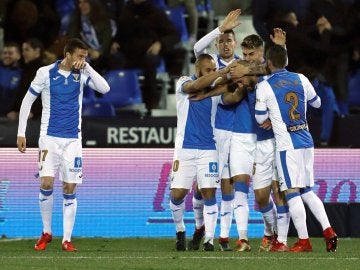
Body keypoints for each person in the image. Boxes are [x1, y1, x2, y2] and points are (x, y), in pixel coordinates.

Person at [16, 38, 110, 251]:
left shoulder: (82, 73)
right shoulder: (45, 73)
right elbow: (27, 101)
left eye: (85, 56)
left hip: (73, 140)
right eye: (80, 56)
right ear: (68, 55)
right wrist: (21, 132)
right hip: (49, 137)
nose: (82, 60)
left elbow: (105, 89)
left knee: (69, 187)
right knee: (46, 183)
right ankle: (46, 232)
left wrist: (88, 66)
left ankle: (66, 239)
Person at [170, 53, 248, 252]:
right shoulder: (184, 82)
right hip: (184, 149)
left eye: (214, 70)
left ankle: (209, 241)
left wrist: (242, 88)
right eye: (209, 70)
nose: (213, 74)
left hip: (208, 150)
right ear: (198, 71)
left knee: (209, 194)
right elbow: (195, 87)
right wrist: (222, 72)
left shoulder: (214, 92)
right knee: (178, 194)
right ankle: (180, 230)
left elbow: (231, 98)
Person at [254, 44, 319, 252]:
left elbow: (260, 118)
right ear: (286, 60)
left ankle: (302, 240)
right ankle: (326, 232)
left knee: (291, 192)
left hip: (285, 144)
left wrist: (274, 117)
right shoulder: (301, 78)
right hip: (306, 140)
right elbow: (317, 103)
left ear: (268, 62)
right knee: (306, 190)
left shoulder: (264, 85)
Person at [192, 8, 241, 252]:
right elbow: (197, 49)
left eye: (228, 40)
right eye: (221, 41)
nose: (224, 44)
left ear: (236, 43)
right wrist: (219, 29)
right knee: (203, 187)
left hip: (239, 133)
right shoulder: (211, 64)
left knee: (229, 184)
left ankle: (222, 237)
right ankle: (200, 226)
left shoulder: (244, 65)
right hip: (213, 133)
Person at [110, 0, 185, 113]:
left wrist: (160, 44)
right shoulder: (124, 13)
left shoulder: (156, 13)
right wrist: (114, 42)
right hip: (127, 53)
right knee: (112, 59)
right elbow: (117, 34)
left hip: (148, 54)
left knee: (150, 62)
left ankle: (151, 105)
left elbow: (174, 35)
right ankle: (114, 102)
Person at [67, 0, 113, 73]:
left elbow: (107, 39)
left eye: (85, 2)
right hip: (83, 53)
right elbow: (73, 39)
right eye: (80, 2)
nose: (81, 5)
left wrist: (99, 52)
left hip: (103, 53)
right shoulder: (76, 19)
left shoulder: (103, 19)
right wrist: (88, 51)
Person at [7, 38, 45, 121]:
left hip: (37, 120)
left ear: (37, 51)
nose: (23, 53)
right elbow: (21, 93)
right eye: (23, 50)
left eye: (27, 50)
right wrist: (15, 110)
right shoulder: (25, 70)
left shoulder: (44, 71)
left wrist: (34, 112)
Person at [0, 41, 22, 117]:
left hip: (10, 118)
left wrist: (16, 110)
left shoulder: (22, 74)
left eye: (10, 53)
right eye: (4, 53)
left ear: (18, 56)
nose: (6, 55)